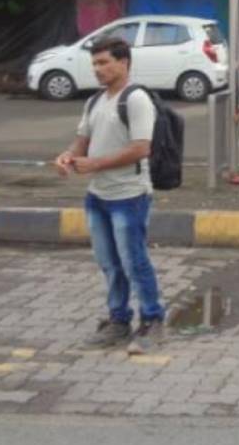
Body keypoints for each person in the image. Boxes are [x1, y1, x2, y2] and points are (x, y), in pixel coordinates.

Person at [54, 37, 165, 352]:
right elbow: (82, 140)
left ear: (124, 62)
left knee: (134, 261)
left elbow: (141, 147)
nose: (98, 70)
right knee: (109, 263)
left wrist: (95, 163)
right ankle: (118, 321)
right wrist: (68, 156)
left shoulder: (136, 99)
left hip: (129, 196)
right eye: (95, 64)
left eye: (104, 63)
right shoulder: (94, 101)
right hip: (97, 196)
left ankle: (152, 320)